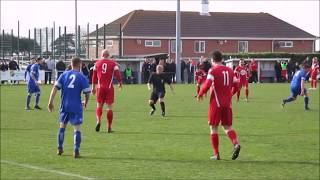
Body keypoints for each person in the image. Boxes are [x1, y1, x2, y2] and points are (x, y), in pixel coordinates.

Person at [197, 50, 240, 160]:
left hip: (216, 103)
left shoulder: (213, 70)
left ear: (212, 60)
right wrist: (230, 94)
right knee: (227, 127)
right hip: (227, 104)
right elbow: (237, 85)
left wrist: (200, 93)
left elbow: (207, 84)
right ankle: (235, 143)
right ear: (221, 59)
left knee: (213, 128)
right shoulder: (230, 71)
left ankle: (216, 154)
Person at [48, 57, 90, 158]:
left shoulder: (64, 75)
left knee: (62, 127)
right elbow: (87, 93)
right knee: (77, 129)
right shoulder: (82, 77)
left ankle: (59, 148)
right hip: (76, 106)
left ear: (71, 64)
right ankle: (76, 150)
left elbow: (55, 88)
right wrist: (86, 102)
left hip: (64, 105)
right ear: (80, 65)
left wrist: (50, 101)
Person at [92, 50, 122, 133]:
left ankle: (98, 120)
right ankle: (109, 127)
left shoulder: (97, 64)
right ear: (108, 55)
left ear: (101, 55)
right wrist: (120, 82)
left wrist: (93, 87)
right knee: (109, 108)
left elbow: (94, 77)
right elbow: (118, 75)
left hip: (99, 88)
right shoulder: (113, 64)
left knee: (99, 106)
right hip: (109, 88)